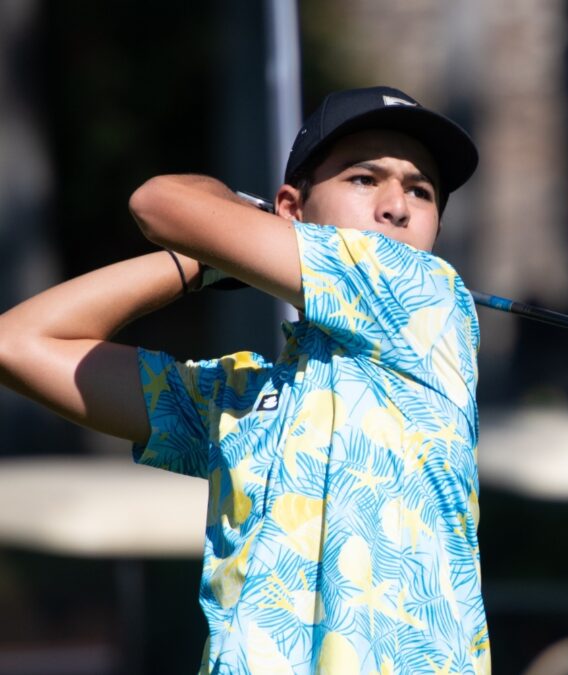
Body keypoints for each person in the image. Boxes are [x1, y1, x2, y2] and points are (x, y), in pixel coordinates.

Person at [0, 86, 489, 674]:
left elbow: (160, 203)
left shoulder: (426, 295)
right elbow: (19, 345)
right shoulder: (237, 398)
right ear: (291, 209)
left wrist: (226, 224)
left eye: (421, 190)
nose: (397, 207)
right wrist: (212, 260)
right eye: (364, 179)